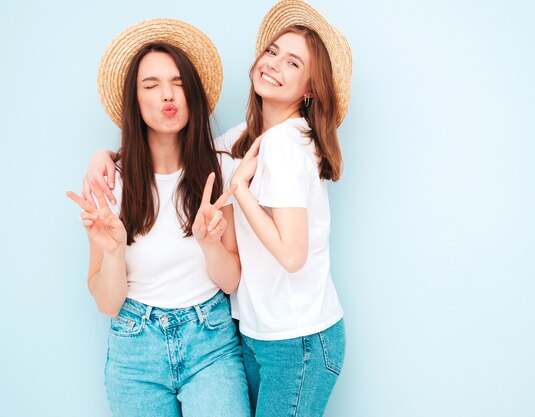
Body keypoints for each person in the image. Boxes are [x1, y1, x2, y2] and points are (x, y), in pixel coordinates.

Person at [82, 2, 352, 416]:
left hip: (284, 337)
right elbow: (165, 155)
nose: (167, 95)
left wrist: (236, 197)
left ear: (311, 88)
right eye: (273, 51)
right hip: (250, 334)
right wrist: (108, 155)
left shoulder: (268, 150)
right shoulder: (241, 142)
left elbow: (288, 257)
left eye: (293, 62)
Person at [67, 18, 250, 417]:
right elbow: (106, 302)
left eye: (178, 83)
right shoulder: (109, 182)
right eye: (151, 85)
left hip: (211, 344)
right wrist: (114, 253)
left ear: (193, 95)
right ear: (135, 100)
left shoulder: (218, 170)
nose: (167, 95)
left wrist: (209, 243)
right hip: (135, 352)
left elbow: (232, 279)